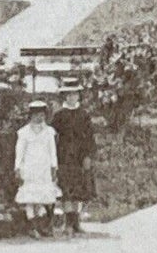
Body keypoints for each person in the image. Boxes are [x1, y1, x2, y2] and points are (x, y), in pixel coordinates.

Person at [52, 80, 96, 235]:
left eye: (75, 94)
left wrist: (88, 156)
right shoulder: (59, 115)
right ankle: (68, 223)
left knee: (78, 188)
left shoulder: (84, 115)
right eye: (69, 95)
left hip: (79, 155)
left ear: (78, 96)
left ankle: (76, 222)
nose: (72, 98)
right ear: (65, 96)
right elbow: (52, 136)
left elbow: (90, 137)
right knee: (66, 188)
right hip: (64, 156)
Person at [14, 100, 60, 238]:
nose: (39, 118)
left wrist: (54, 167)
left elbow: (53, 151)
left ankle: (42, 227)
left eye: (41, 115)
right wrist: (17, 168)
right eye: (35, 115)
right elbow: (19, 152)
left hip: (44, 168)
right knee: (30, 197)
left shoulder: (49, 132)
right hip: (29, 168)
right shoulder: (24, 133)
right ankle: (33, 227)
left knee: (42, 197)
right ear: (30, 116)